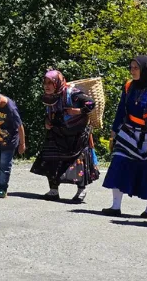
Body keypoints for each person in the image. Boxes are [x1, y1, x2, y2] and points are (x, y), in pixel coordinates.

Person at [101, 56, 147, 217]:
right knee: (118, 161)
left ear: (145, 69)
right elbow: (121, 109)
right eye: (131, 67)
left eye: (136, 68)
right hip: (128, 131)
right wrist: (114, 131)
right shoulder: (129, 86)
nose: (132, 71)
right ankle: (115, 206)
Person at [30, 70, 99, 203]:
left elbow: (91, 104)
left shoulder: (72, 93)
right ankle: (53, 191)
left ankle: (81, 191)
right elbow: (49, 112)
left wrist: (78, 111)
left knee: (78, 163)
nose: (47, 86)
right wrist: (47, 122)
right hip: (57, 133)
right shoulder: (49, 96)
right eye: (45, 83)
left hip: (76, 135)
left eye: (50, 83)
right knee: (51, 159)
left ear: (58, 82)